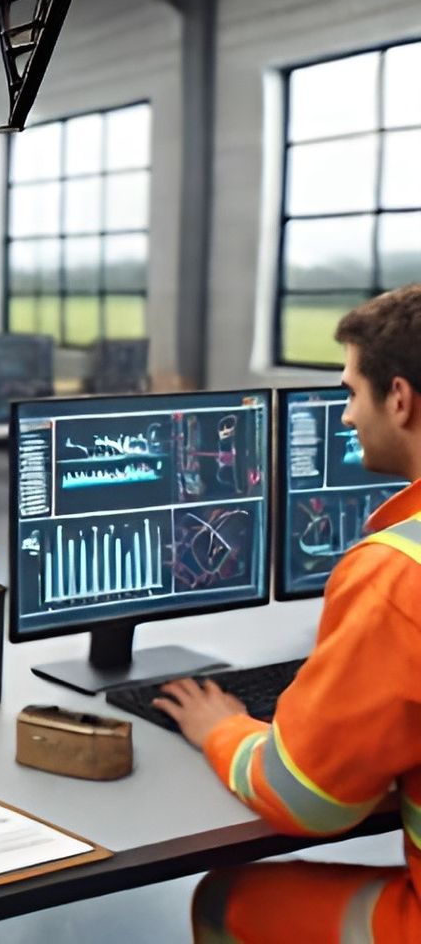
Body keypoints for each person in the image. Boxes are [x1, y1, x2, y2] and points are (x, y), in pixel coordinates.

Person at [155, 286, 421, 943]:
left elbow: (306, 797)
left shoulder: (398, 573)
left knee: (226, 900)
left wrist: (222, 727)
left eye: (351, 392)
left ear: (399, 399)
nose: (347, 417)